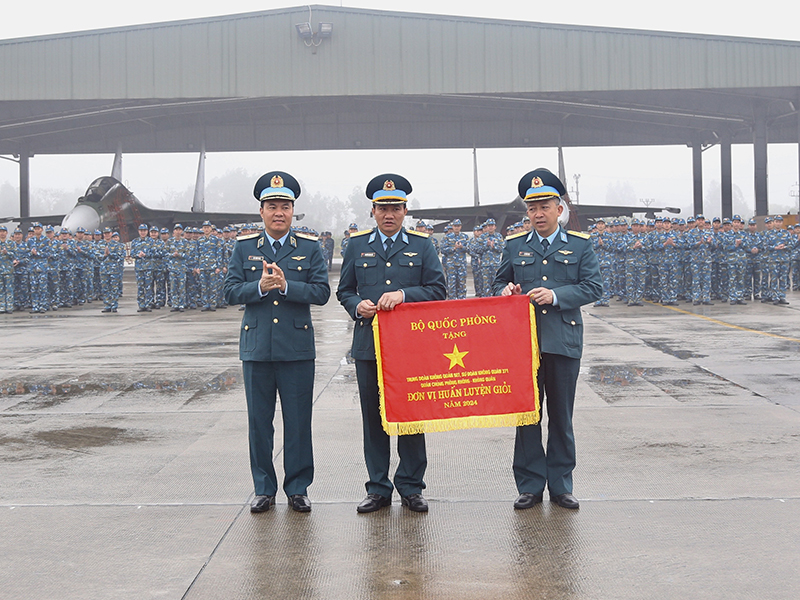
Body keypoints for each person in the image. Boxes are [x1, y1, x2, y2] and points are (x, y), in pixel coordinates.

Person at [492, 168, 601, 510]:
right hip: (523, 344)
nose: (538, 214)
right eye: (532, 208)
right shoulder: (514, 246)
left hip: (562, 341)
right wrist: (505, 290)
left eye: (545, 206)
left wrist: (554, 296)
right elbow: (497, 284)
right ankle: (529, 484)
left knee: (561, 416)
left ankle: (561, 484)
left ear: (560, 208)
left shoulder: (580, 246)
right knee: (526, 416)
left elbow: (593, 287)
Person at [337, 173, 446, 514]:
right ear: (372, 211)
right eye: (382, 208)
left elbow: (437, 291)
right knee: (374, 418)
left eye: (395, 208)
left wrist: (403, 295)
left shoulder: (422, 244)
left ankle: (412, 487)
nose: (389, 214)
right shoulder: (355, 245)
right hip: (369, 345)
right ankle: (378, 488)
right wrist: (357, 305)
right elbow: (344, 290)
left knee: (411, 417)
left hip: (410, 348)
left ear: (405, 210)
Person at [224, 171, 330, 514]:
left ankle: (298, 488)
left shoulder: (311, 248)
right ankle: (263, 489)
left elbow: (321, 292)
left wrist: (286, 287)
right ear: (261, 211)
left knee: (298, 422)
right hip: (256, 349)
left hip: (296, 349)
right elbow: (229, 292)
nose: (278, 212)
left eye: (285, 206)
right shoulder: (243, 248)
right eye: (272, 206)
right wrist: (258, 288)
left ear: (293, 210)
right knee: (259, 423)